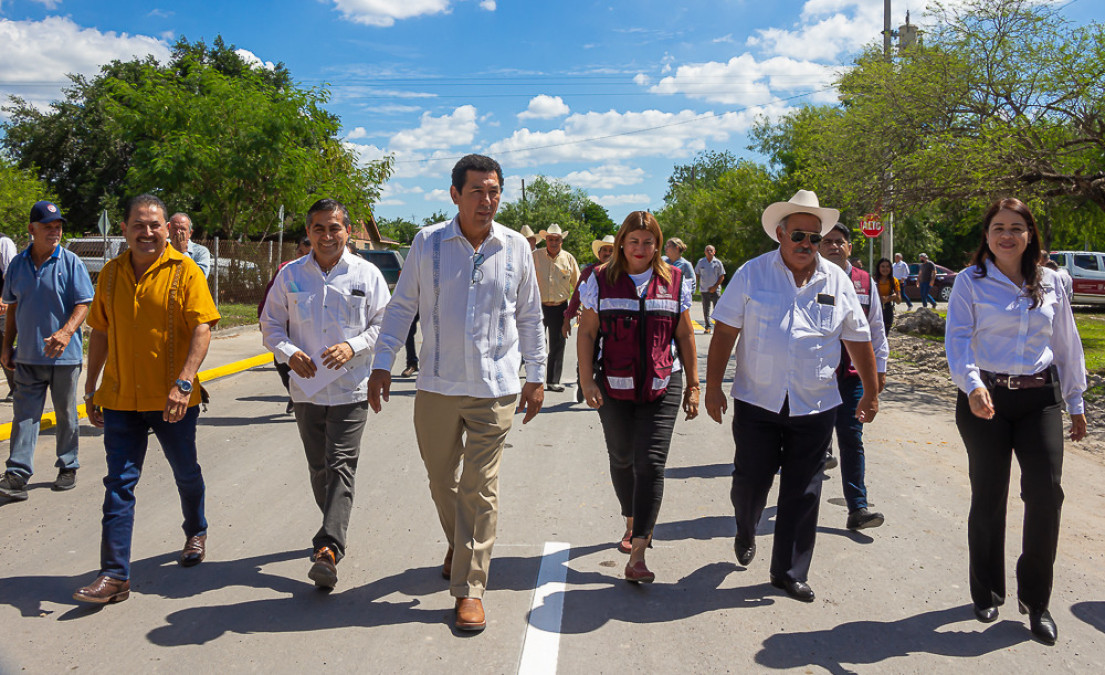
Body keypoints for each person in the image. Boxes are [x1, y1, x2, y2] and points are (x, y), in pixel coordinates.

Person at [368, 154, 546, 632]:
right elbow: (402, 307)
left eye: (493, 192)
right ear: (454, 195)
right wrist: (382, 362)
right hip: (437, 386)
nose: (486, 201)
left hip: (495, 388)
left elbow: (529, 315)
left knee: (480, 488)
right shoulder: (428, 243)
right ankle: (461, 541)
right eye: (476, 192)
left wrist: (537, 374)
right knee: (440, 479)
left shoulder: (515, 248)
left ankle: (470, 588)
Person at [704, 190, 879, 603]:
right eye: (798, 235)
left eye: (814, 237)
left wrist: (871, 391)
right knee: (751, 482)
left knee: (804, 489)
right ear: (780, 234)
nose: (807, 244)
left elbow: (858, 336)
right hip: (757, 400)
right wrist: (712, 387)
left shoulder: (836, 281)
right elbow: (725, 332)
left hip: (815, 402)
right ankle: (746, 526)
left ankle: (788, 571)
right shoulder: (752, 273)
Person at [945, 198, 1086, 646]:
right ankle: (986, 589)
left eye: (1016, 227)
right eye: (998, 227)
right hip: (984, 399)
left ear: (1030, 234)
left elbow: (1066, 343)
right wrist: (971, 385)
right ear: (986, 235)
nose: (1007, 235)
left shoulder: (1054, 282)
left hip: (1039, 399)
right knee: (989, 496)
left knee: (1046, 495)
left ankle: (1037, 600)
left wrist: (1076, 401)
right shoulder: (971, 282)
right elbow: (959, 338)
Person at [73, 194, 220, 604]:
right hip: (121, 397)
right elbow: (99, 332)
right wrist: (92, 386)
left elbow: (203, 327)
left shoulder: (185, 271)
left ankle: (196, 529)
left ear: (168, 230)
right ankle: (115, 574)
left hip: (173, 399)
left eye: (156, 224)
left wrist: (185, 382)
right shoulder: (110, 275)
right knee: (118, 483)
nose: (149, 232)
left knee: (185, 471)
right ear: (124, 229)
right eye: (139, 224)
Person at [261, 198, 390, 590]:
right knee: (319, 467)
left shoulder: (367, 275)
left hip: (351, 389)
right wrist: (288, 353)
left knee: (339, 464)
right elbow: (270, 327)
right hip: (306, 390)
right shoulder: (290, 276)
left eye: (334, 228)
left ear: (347, 231)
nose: (327, 235)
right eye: (319, 228)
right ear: (308, 232)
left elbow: (384, 326)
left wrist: (353, 347)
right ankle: (334, 521)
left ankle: (329, 548)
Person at [577, 211, 699, 583]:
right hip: (614, 387)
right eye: (634, 242)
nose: (641, 249)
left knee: (650, 463)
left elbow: (685, 336)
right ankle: (631, 519)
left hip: (663, 385)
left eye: (649, 242)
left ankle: (640, 553)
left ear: (658, 245)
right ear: (621, 243)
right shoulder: (600, 280)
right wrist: (587, 382)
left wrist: (694, 385)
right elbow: (586, 334)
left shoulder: (675, 281)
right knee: (623, 457)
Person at [0, 201, 95, 502]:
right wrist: (6, 346)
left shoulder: (70, 262)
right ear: (32, 230)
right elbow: (12, 307)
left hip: (64, 357)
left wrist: (67, 332)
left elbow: (84, 303)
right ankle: (17, 474)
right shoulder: (17, 265)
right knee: (25, 416)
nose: (55, 232)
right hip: (27, 356)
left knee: (66, 413)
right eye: (48, 227)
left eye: (58, 227)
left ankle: (68, 465)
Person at [817, 224, 889, 531]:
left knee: (851, 437)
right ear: (819, 247)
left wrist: (879, 372)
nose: (834, 246)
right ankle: (799, 502)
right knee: (810, 443)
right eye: (827, 241)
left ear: (850, 247)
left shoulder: (864, 282)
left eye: (839, 242)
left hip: (851, 376)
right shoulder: (810, 278)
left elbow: (876, 328)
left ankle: (858, 507)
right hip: (816, 376)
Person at [258, 237, 312, 414]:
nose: (301, 257)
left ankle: (304, 399)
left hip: (307, 327)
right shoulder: (285, 270)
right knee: (281, 362)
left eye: (307, 253)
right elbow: (269, 297)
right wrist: (264, 322)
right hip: (286, 325)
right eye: (299, 252)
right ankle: (294, 394)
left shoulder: (317, 273)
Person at [564, 235, 615, 403]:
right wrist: (567, 319)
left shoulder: (622, 271)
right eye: (604, 250)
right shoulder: (589, 272)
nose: (607, 253)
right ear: (599, 253)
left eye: (611, 250)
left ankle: (607, 392)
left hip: (613, 325)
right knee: (587, 357)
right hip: (592, 323)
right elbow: (577, 295)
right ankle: (582, 381)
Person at [534, 223, 580, 392]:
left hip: (560, 307)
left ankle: (553, 381)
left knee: (558, 344)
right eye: (551, 239)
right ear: (546, 240)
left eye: (557, 239)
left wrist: (578, 308)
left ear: (562, 241)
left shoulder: (568, 259)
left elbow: (578, 285)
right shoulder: (535, 256)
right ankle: (535, 380)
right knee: (536, 344)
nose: (554, 242)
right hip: (537, 307)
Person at [0, 230, 18, 399]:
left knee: (4, 343)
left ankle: (18, 386)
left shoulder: (4, 242)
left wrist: (4, 298)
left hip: (3, 306)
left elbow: (11, 274)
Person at [168, 212, 213, 278]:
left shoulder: (200, 252)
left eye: (182, 229)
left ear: (190, 233)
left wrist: (183, 252)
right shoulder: (162, 248)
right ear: (169, 230)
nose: (178, 232)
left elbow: (200, 277)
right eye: (175, 228)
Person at [694, 245, 725, 333]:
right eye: (707, 250)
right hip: (704, 289)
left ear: (714, 252)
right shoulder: (701, 262)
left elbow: (722, 276)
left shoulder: (718, 263)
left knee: (717, 309)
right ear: (704, 252)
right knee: (705, 309)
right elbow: (697, 273)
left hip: (715, 290)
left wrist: (715, 287)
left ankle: (718, 327)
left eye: (711, 250)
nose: (709, 252)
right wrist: (696, 285)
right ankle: (708, 327)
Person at [873, 257, 902, 335]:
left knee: (885, 334)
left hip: (887, 310)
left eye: (887, 266)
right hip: (875, 310)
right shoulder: (873, 280)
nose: (885, 269)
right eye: (882, 266)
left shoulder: (894, 281)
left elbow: (899, 300)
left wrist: (890, 297)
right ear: (878, 268)